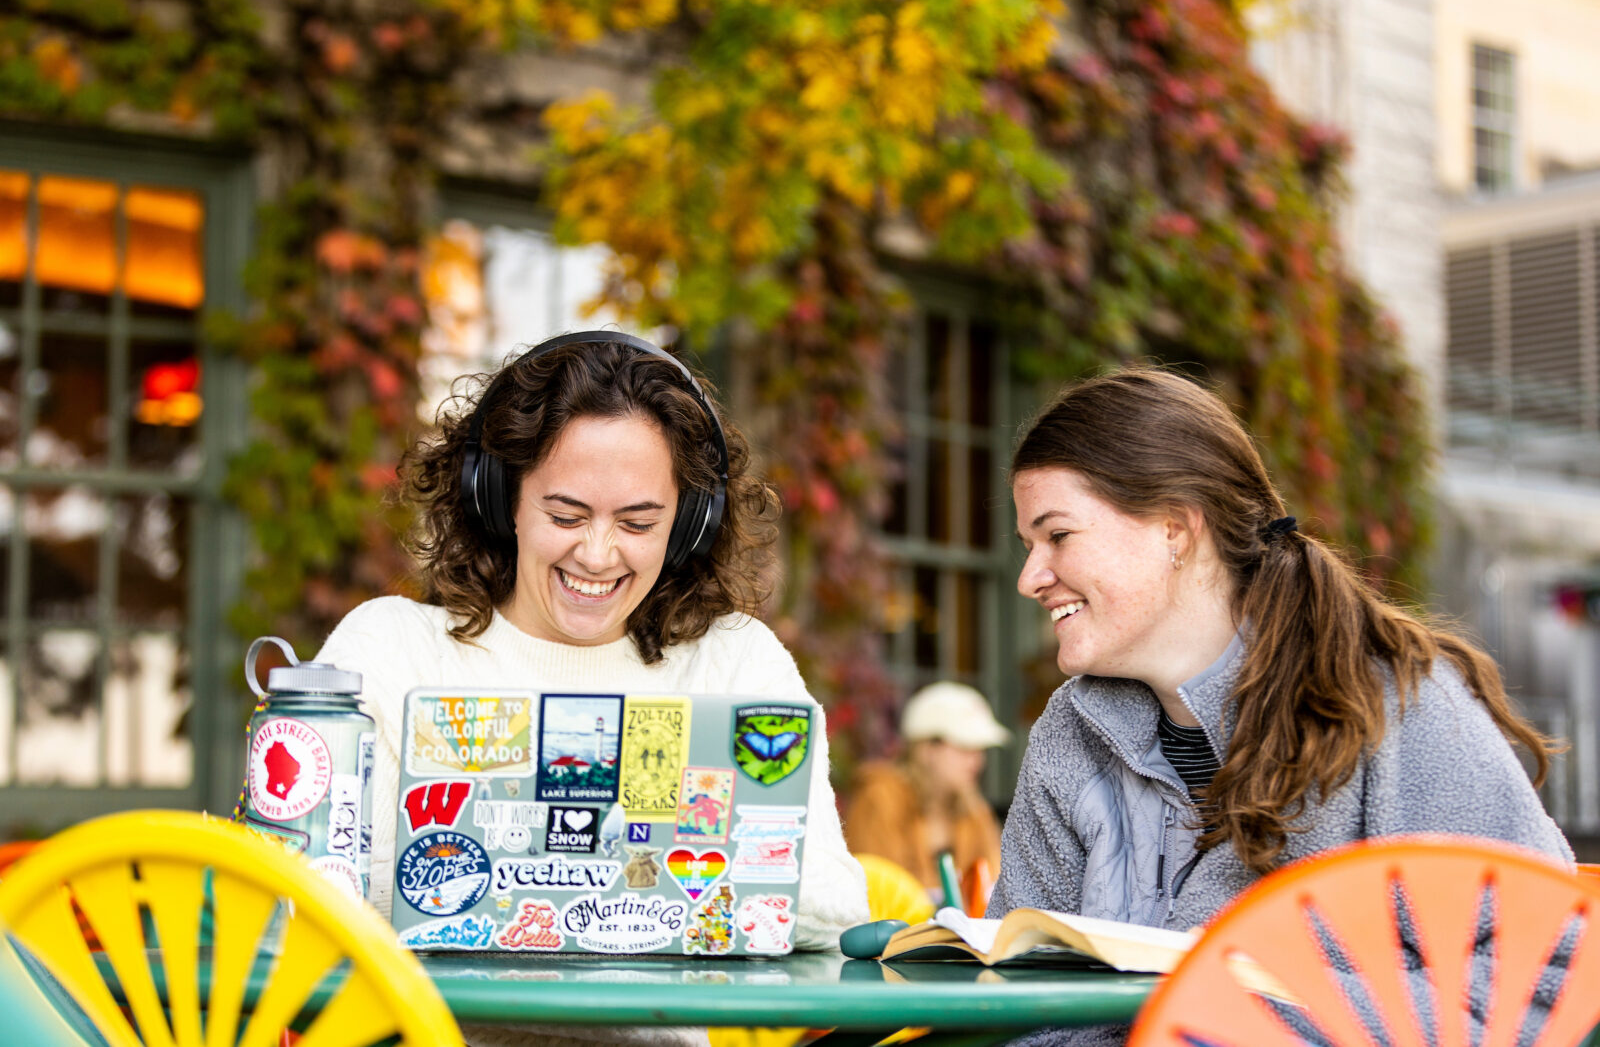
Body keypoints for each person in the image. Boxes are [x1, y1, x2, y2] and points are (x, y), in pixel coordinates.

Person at [315, 331, 869, 1047]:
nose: (598, 553)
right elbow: (316, 892)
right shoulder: (390, 648)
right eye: (567, 514)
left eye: (638, 521)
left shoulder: (733, 662)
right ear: (501, 497)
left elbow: (834, 902)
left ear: (686, 523)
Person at [993, 367, 1570, 1044]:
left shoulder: (1392, 702)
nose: (1031, 577)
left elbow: (1547, 973)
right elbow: (1018, 991)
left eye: (1057, 535)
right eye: (1028, 546)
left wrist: (1244, 1011)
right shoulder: (1069, 734)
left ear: (1175, 528)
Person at [845, 681, 1007, 901]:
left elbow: (995, 885)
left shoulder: (974, 810)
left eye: (980, 750)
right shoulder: (880, 797)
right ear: (926, 749)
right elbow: (877, 890)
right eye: (965, 747)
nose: (976, 761)